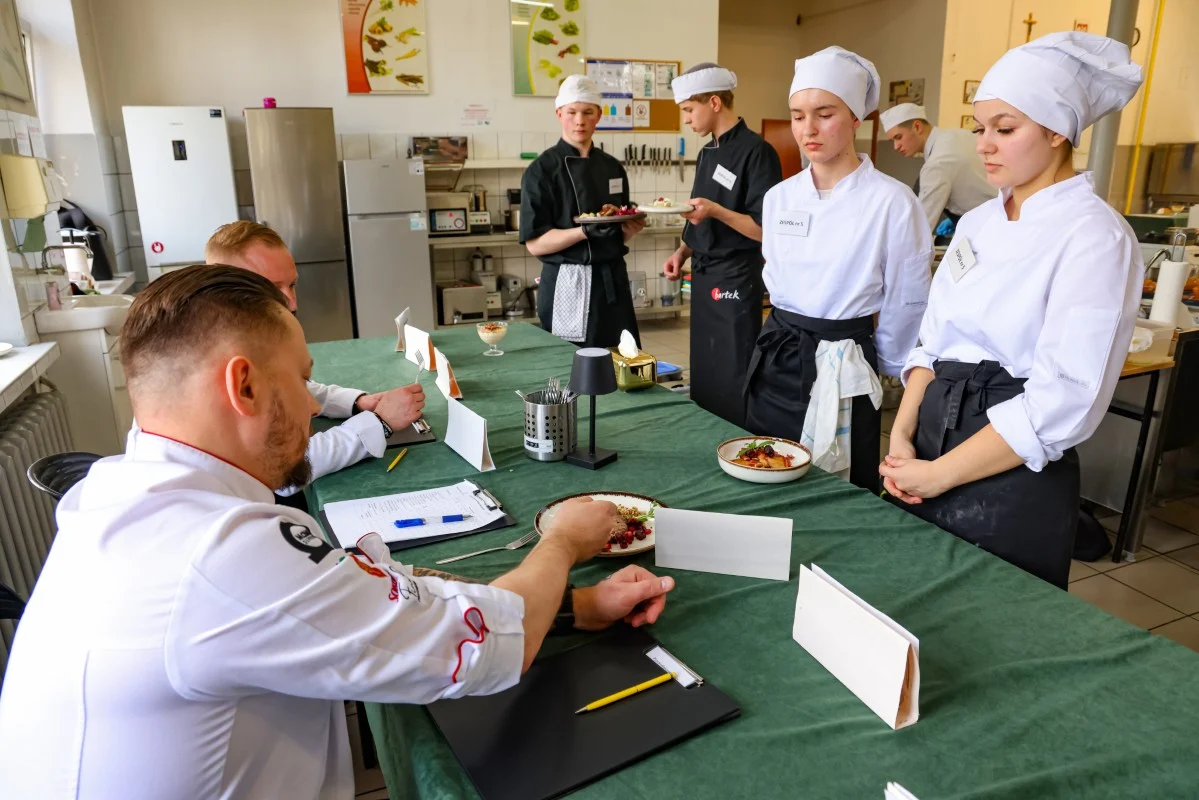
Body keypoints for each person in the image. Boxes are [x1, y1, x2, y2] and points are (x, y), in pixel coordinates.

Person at [0, 265, 676, 799]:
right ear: (243, 386)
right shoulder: (216, 555)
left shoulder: (130, 493)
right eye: (299, 380)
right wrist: (560, 540)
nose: (310, 402)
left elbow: (358, 590)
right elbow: (478, 652)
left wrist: (575, 605)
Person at [880, 32, 1145, 589]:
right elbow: (931, 345)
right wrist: (902, 437)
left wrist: (942, 475)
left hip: (1010, 469)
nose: (984, 145)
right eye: (981, 129)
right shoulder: (977, 224)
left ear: (1057, 132)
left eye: (1005, 129)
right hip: (929, 437)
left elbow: (1062, 397)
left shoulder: (1095, 236)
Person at [745, 47, 932, 491]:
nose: (807, 129)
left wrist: (885, 360)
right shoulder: (780, 198)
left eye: (824, 113)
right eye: (796, 115)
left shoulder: (892, 201)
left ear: (856, 118)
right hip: (779, 351)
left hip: (846, 359)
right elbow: (773, 269)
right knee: (766, 464)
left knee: (840, 481)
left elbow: (909, 294)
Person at [206, 221, 423, 496]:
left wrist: (357, 403)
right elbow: (285, 470)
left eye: (292, 285)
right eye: (273, 289)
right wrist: (379, 422)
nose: (292, 304)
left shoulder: (244, 329)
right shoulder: (219, 355)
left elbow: (290, 389)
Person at [663, 63, 783, 426]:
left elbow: (765, 230)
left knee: (731, 363)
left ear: (714, 102)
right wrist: (683, 251)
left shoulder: (757, 152)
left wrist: (717, 211)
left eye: (688, 109)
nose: (686, 120)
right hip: (702, 273)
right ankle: (706, 434)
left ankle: (737, 436)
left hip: (735, 275)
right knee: (705, 361)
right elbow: (698, 212)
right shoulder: (706, 153)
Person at [520, 74, 647, 348]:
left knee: (621, 361)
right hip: (568, 282)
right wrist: (583, 232)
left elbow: (614, 234)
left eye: (588, 112)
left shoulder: (612, 167)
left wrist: (629, 228)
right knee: (571, 369)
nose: (580, 120)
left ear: (598, 115)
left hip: (612, 280)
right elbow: (535, 245)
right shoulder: (541, 171)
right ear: (559, 114)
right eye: (572, 112)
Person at [880, 103, 993, 235]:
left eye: (898, 137)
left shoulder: (937, 164)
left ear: (917, 127)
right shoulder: (961, 134)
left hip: (989, 228)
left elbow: (920, 228)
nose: (896, 146)